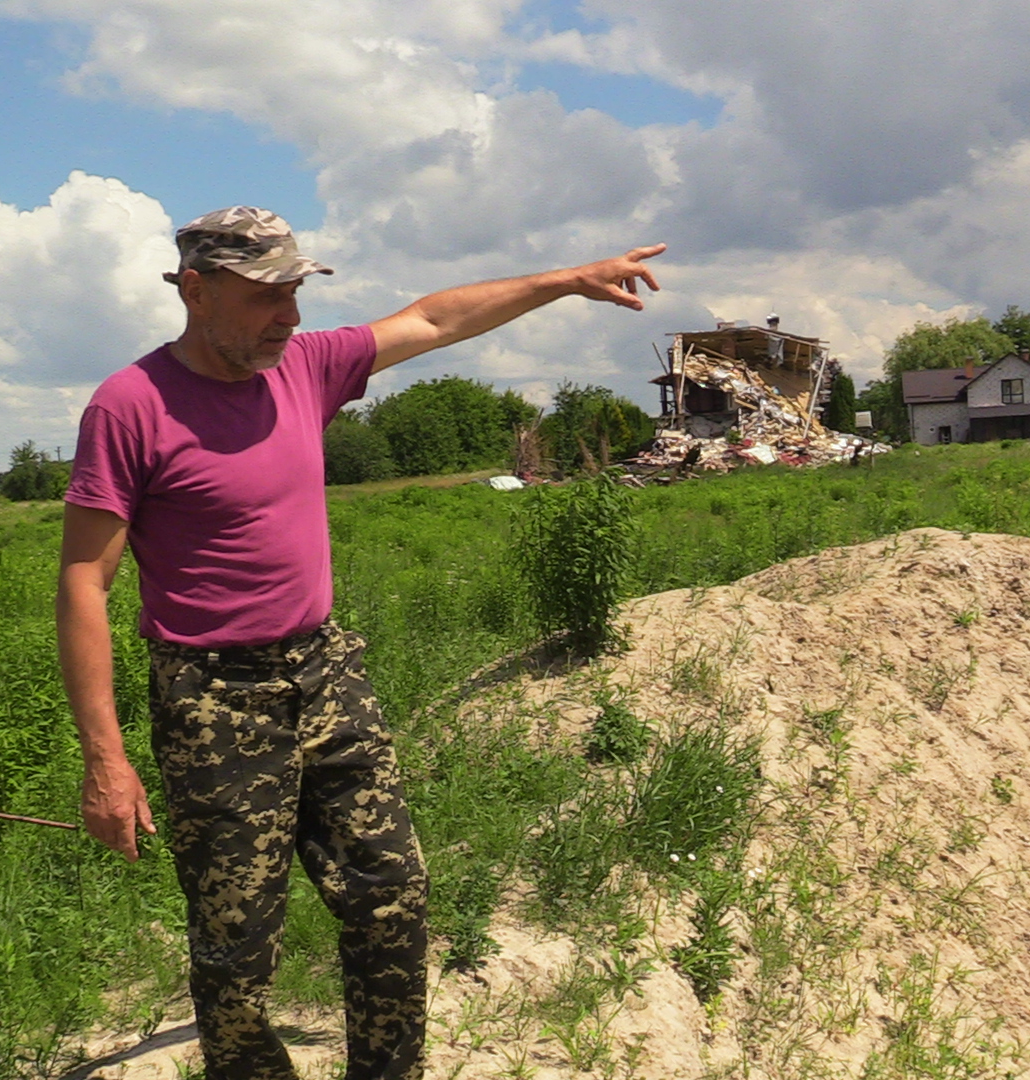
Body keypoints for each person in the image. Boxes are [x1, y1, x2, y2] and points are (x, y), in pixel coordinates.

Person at [55, 205, 662, 1080]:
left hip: (326, 671)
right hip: (214, 701)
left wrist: (562, 280)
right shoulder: (130, 407)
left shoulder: (303, 367)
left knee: (390, 896)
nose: (290, 318)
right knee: (235, 952)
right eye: (267, 296)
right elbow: (84, 582)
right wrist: (105, 762)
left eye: (296, 293)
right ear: (195, 289)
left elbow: (433, 317)